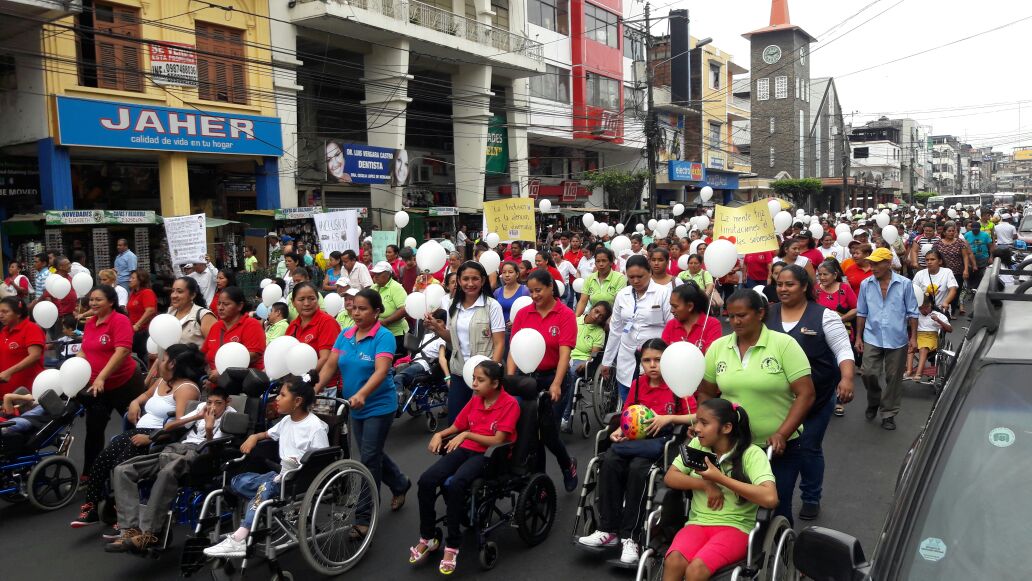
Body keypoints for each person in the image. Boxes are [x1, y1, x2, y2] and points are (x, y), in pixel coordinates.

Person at [695, 289, 815, 523]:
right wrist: (703, 423)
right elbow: (707, 392)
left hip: (777, 449)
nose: (735, 322)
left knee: (776, 507)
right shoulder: (719, 347)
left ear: (760, 313)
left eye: (742, 315)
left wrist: (782, 434)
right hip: (732, 447)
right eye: (731, 316)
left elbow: (806, 394)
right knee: (735, 508)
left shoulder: (784, 345)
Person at [577, 339, 695, 564]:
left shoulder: (677, 383)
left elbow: (695, 416)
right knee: (609, 460)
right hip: (635, 439)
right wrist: (619, 430)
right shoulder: (638, 384)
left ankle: (631, 537)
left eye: (658, 360)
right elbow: (627, 414)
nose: (652, 365)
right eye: (647, 360)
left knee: (638, 468)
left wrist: (668, 418)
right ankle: (607, 530)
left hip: (661, 442)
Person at [72, 342, 202, 528]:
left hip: (155, 437)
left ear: (172, 364)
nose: (158, 363)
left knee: (120, 467)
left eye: (163, 360)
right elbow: (144, 396)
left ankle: (123, 515)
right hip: (138, 431)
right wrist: (134, 403)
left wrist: (150, 438)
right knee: (102, 460)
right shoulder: (162, 381)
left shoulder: (186, 389)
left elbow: (180, 427)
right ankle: (91, 507)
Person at [410, 360, 519, 574]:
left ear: (495, 383)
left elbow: (498, 440)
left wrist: (467, 434)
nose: (474, 383)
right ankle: (428, 537)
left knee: (457, 484)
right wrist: (439, 434)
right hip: (466, 449)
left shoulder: (510, 404)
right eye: (474, 379)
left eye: (480, 380)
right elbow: (457, 426)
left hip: (489, 456)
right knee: (427, 480)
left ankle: (452, 545)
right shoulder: (476, 399)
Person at [204, 376, 329, 558]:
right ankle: (258, 506)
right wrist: (254, 437)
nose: (277, 398)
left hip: (298, 480)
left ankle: (239, 538)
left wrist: (299, 464)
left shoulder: (315, 427)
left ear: (297, 401)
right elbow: (267, 434)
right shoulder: (286, 421)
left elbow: (322, 460)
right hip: (279, 476)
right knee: (238, 480)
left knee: (264, 488)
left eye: (282, 395)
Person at [767, 265, 855, 521]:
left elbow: (843, 350)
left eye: (790, 284)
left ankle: (811, 496)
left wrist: (847, 378)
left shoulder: (825, 316)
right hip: (777, 400)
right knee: (773, 448)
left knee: (807, 447)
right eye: (779, 284)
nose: (783, 289)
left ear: (804, 286)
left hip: (816, 398)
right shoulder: (767, 314)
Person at [316, 289, 411, 518]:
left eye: (363, 309)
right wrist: (314, 389)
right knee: (372, 453)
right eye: (354, 308)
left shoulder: (383, 337)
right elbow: (330, 365)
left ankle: (364, 515)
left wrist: (362, 394)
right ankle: (399, 483)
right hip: (353, 406)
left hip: (379, 405)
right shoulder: (345, 334)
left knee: (368, 459)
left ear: (376, 312)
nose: (356, 313)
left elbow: (381, 371)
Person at [107, 388, 235, 553]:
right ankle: (130, 530)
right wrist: (197, 416)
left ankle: (150, 534)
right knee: (123, 470)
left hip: (199, 455)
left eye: (218, 403)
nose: (213, 407)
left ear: (227, 402)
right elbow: (170, 426)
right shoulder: (201, 407)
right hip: (176, 449)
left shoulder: (231, 417)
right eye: (210, 402)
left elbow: (212, 450)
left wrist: (209, 429)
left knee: (166, 473)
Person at [661, 399, 778, 581]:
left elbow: (770, 498)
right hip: (697, 524)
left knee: (696, 570)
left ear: (726, 428)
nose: (696, 428)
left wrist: (720, 478)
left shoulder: (751, 453)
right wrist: (706, 484)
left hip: (735, 527)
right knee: (673, 561)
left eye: (704, 423)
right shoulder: (697, 445)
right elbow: (670, 476)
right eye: (697, 421)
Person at [508, 269, 579, 492]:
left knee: (548, 433)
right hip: (527, 379)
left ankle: (567, 464)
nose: (534, 295)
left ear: (550, 287)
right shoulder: (523, 314)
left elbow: (565, 353)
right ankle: (540, 483)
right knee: (529, 432)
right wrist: (510, 380)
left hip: (554, 377)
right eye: (531, 291)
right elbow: (514, 350)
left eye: (538, 290)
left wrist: (556, 384)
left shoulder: (565, 314)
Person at [424, 261, 505, 423]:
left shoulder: (492, 306)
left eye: (475, 279)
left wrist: (491, 374)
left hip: (483, 375)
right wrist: (437, 329)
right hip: (459, 372)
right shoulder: (452, 305)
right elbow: (453, 339)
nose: (470, 283)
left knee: (481, 423)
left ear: (483, 280)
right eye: (465, 279)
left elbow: (499, 343)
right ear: (459, 281)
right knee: (456, 421)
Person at [855, 247, 919, 431]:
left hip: (897, 337)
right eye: (871, 264)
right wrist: (858, 337)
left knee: (893, 378)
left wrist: (914, 338)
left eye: (877, 264)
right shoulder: (866, 284)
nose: (873, 268)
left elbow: (913, 312)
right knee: (868, 373)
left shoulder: (905, 284)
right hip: (872, 335)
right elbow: (861, 312)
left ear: (888, 263)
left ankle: (888, 413)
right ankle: (874, 400)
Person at [601, 255, 672, 403]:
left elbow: (671, 327)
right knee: (628, 401)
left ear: (650, 272)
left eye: (640, 276)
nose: (635, 281)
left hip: (654, 357)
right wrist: (607, 361)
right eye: (631, 277)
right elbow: (616, 330)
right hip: (627, 355)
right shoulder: (623, 295)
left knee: (651, 402)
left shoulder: (663, 293)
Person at [561, 301, 612, 432]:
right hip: (566, 354)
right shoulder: (575, 320)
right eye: (596, 311)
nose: (597, 316)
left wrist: (586, 363)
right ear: (591, 308)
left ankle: (565, 416)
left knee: (570, 374)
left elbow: (593, 355)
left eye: (601, 316)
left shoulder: (599, 332)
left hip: (582, 360)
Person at [201, 287, 266, 384]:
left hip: (242, 386)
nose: (220, 308)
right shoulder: (216, 327)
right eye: (219, 303)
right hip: (215, 385)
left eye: (226, 304)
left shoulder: (251, 325)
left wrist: (223, 371)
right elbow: (204, 353)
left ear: (240, 306)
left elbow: (253, 355)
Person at [285, 282, 339, 378]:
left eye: (312, 299)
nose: (307, 303)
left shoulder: (327, 322)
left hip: (322, 383)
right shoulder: (292, 326)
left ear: (317, 300)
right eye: (301, 299)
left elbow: (326, 358)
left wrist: (303, 379)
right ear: (293, 302)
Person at [0, 296, 45, 397]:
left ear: (18, 313)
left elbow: (35, 355)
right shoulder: (4, 331)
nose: (1, 315)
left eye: (5, 312)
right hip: (5, 394)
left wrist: (9, 372)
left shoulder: (31, 328)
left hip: (25, 394)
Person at [662, 281, 722, 355]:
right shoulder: (670, 325)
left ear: (690, 306)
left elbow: (711, 355)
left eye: (675, 306)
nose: (671, 310)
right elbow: (662, 353)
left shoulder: (712, 324)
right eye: (671, 306)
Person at [905, 293, 953, 382]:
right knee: (910, 348)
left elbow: (950, 329)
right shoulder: (916, 314)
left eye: (925, 308)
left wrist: (938, 320)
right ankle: (909, 371)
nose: (924, 310)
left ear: (930, 305)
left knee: (923, 348)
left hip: (931, 337)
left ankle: (918, 373)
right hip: (918, 336)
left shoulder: (938, 315)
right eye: (921, 308)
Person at [370, 261, 410, 355]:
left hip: (396, 334)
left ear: (388, 274)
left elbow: (404, 309)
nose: (376, 276)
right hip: (377, 331)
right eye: (375, 273)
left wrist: (385, 322)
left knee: (394, 358)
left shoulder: (396, 287)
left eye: (379, 273)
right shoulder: (374, 287)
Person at [576, 247, 627, 317]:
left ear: (611, 262)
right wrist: (576, 318)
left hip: (614, 318)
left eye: (604, 261)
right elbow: (582, 301)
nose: (601, 264)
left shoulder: (620, 278)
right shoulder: (589, 279)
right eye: (598, 261)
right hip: (594, 317)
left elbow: (619, 304)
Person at [912, 249, 959, 314]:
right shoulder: (919, 274)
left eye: (932, 259)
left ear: (940, 261)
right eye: (927, 260)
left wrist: (946, 302)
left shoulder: (947, 272)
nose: (929, 262)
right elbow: (913, 291)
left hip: (941, 309)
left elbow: (953, 289)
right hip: (923, 310)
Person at [126, 270, 157, 364]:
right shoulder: (133, 293)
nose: (129, 280)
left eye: (133, 278)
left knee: (145, 356)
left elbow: (150, 310)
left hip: (144, 331)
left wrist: (138, 325)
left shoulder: (147, 292)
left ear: (140, 280)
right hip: (134, 330)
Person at [494, 261, 529, 329]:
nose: (507, 275)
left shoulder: (525, 291)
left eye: (510, 272)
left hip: (519, 330)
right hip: (500, 330)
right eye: (504, 272)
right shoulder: (497, 292)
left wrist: (518, 323)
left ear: (517, 274)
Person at [963, 221, 994, 295]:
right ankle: (971, 289)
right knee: (971, 274)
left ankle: (980, 290)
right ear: (971, 228)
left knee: (981, 275)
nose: (975, 231)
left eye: (977, 229)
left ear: (980, 228)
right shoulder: (967, 235)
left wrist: (991, 257)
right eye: (973, 229)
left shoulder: (985, 235)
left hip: (983, 258)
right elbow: (964, 247)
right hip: (971, 260)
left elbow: (991, 247)